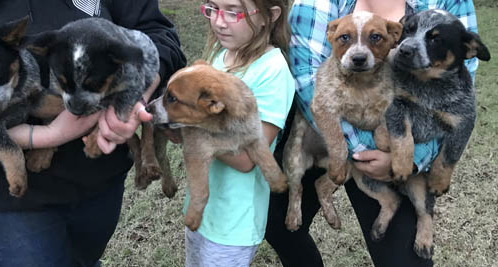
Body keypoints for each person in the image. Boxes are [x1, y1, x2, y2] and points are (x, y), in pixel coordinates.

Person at [0, 0, 186, 266]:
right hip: (16, 206)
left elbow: (158, 36)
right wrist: (43, 136)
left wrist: (135, 92)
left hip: (101, 182)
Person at [266, 0, 481, 266]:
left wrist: (414, 157)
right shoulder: (315, 3)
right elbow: (307, 79)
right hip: (325, 127)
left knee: (405, 262)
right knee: (276, 224)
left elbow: (457, 87)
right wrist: (358, 150)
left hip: (399, 136)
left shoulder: (452, 2)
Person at [182, 0, 294, 266]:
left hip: (234, 225)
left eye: (234, 12)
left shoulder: (273, 71)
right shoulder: (219, 56)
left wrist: (188, 126)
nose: (219, 21)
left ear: (271, 16)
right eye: (213, 8)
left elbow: (246, 159)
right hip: (202, 211)